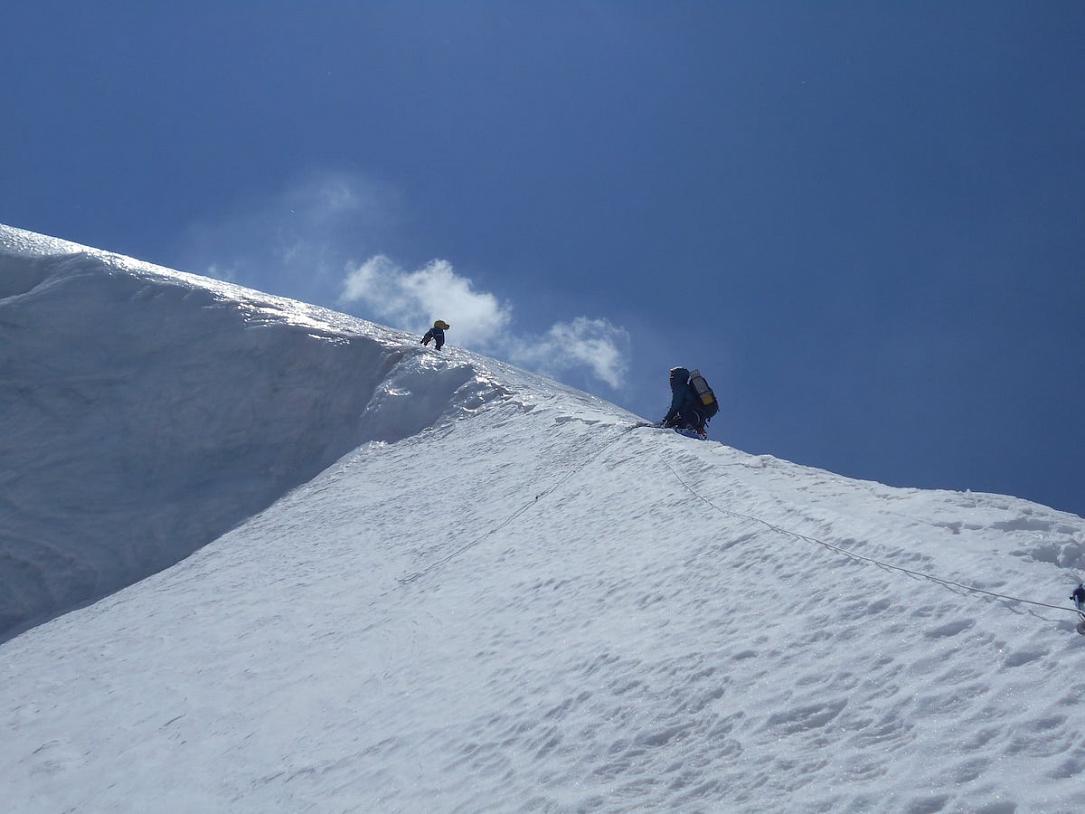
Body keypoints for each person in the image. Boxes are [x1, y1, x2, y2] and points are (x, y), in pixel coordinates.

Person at [659, 367, 707, 438]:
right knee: (677, 420)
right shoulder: (686, 388)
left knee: (674, 422)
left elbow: (675, 407)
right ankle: (696, 432)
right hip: (696, 416)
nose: (671, 378)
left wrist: (665, 420)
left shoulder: (680, 388)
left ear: (678, 377)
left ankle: (685, 431)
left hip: (690, 416)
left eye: (673, 376)